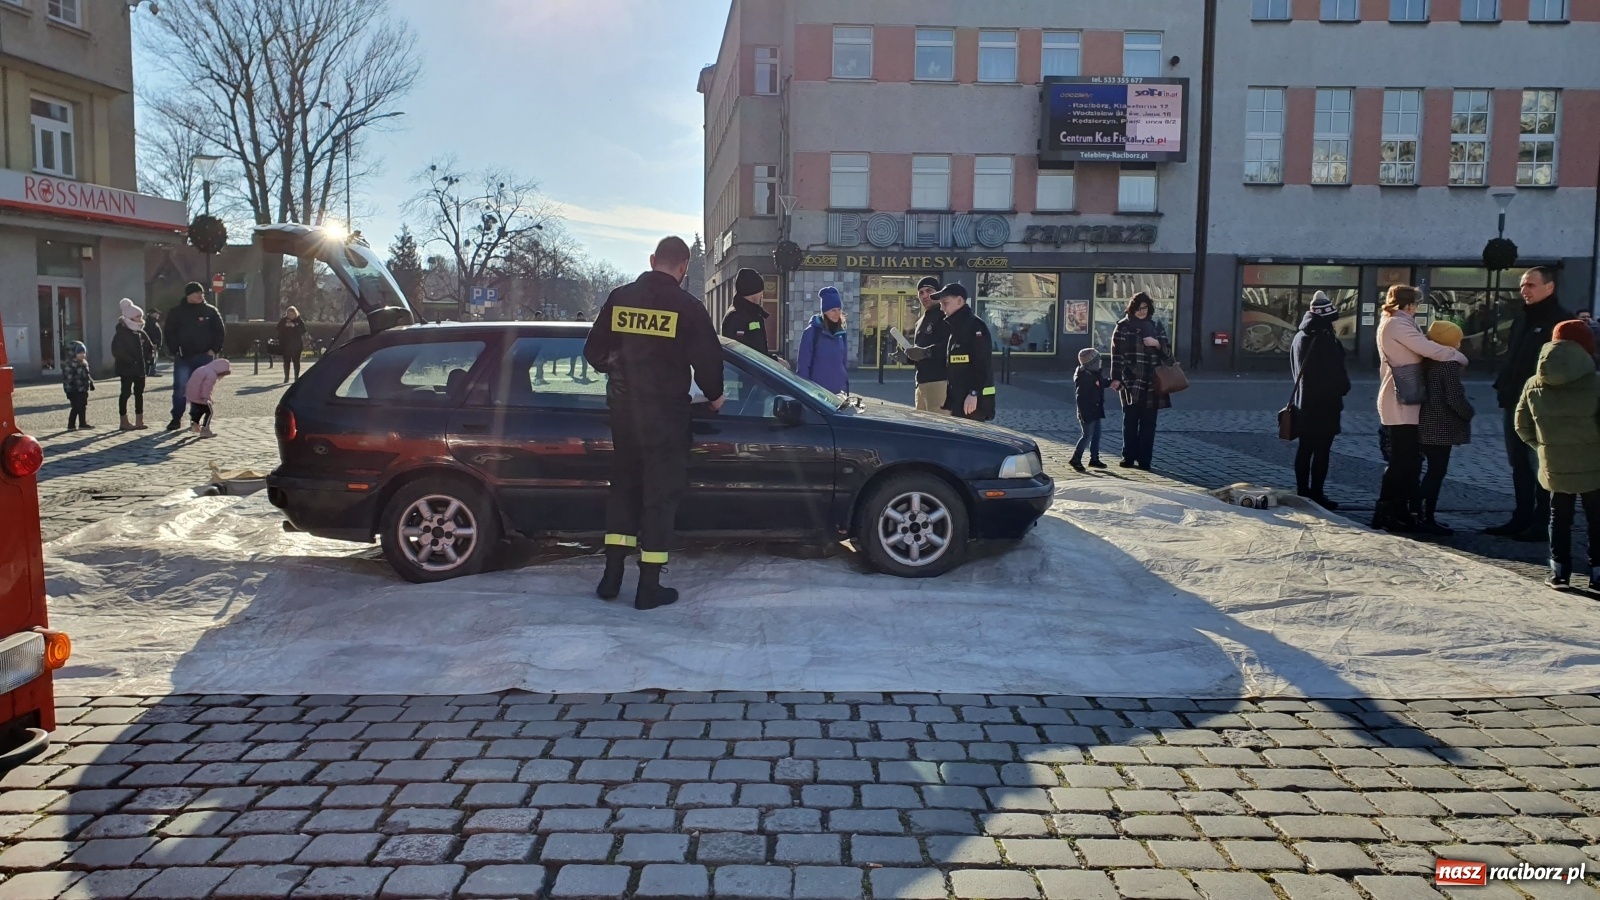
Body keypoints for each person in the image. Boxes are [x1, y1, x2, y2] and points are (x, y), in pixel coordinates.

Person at [583, 236, 724, 611]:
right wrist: (715, 394)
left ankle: (610, 580)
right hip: (666, 418)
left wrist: (619, 368)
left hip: (625, 415)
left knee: (624, 490)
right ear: (684, 268)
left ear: (651, 260)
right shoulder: (687, 307)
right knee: (659, 499)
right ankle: (649, 588)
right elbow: (709, 360)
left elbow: (593, 351)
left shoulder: (619, 298)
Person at [1373, 285, 1467, 531]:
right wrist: (1458, 356)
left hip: (1403, 399)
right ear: (1410, 304)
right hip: (1399, 400)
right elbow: (1429, 349)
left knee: (1407, 461)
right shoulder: (1397, 324)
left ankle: (1400, 510)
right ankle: (1386, 511)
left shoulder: (1396, 322)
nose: (1416, 308)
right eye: (1416, 303)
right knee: (1401, 461)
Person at [1514, 320, 1600, 590]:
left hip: (1553, 465)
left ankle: (1559, 573)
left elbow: (1521, 425)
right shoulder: (1596, 382)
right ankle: (1597, 574)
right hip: (1594, 465)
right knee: (1596, 519)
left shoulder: (1533, 383)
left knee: (1558, 518)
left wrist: (1542, 448)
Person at [1486, 266, 1570, 541]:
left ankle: (1541, 520)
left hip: (1542, 406)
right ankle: (1521, 516)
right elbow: (1513, 359)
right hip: (1514, 402)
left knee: (1540, 464)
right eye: (1523, 286)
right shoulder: (1521, 319)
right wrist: (1504, 385)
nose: (1525, 290)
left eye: (1531, 285)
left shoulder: (1561, 322)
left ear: (1549, 287)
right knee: (1518, 464)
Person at [1289, 291, 1351, 509]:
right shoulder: (1324, 340)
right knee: (1322, 451)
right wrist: (1344, 388)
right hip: (1325, 405)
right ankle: (1316, 494)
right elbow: (1337, 375)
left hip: (1303, 403)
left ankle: (1302, 492)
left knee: (1305, 449)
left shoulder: (1300, 336)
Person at [1416, 321, 1474, 536]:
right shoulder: (1448, 363)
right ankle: (1426, 516)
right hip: (1440, 426)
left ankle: (1420, 513)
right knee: (1436, 471)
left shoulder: (1427, 361)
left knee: (1430, 470)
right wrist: (1469, 412)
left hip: (1424, 422)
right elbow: (1454, 397)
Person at [1109, 292, 1170, 470]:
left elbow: (1168, 354)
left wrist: (1156, 344)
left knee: (1149, 423)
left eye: (1145, 308)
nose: (1142, 311)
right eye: (1138, 308)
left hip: (1153, 381)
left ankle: (1145, 460)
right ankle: (1128, 457)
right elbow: (1117, 355)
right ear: (1132, 308)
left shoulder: (1156, 325)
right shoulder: (1123, 327)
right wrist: (1116, 378)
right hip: (1132, 380)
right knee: (1130, 421)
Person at [164, 282, 226, 431]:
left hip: (204, 357)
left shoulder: (210, 311)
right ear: (188, 295)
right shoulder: (177, 312)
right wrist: (174, 350)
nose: (199, 296)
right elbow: (169, 332)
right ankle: (176, 418)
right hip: (183, 357)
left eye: (201, 293)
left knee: (200, 390)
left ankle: (195, 420)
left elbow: (220, 332)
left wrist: (214, 349)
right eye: (196, 293)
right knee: (180, 387)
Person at [933, 284, 995, 421]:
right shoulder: (956, 327)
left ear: (960, 301)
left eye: (945, 303)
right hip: (959, 400)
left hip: (972, 403)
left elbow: (982, 364)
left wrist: (974, 393)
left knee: (971, 440)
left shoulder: (975, 326)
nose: (942, 308)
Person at [903, 276, 950, 413]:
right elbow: (920, 353)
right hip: (921, 383)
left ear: (938, 292)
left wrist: (925, 352)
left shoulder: (945, 315)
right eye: (921, 292)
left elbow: (950, 346)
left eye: (929, 291)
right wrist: (908, 357)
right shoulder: (921, 320)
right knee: (923, 428)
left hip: (939, 382)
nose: (925, 295)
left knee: (939, 427)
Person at [111, 298, 156, 431]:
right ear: (130, 317)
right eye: (137, 316)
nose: (140, 319)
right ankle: (123, 420)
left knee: (139, 393)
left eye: (140, 316)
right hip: (126, 369)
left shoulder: (141, 333)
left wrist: (149, 358)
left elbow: (149, 347)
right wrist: (130, 360)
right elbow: (117, 351)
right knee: (125, 393)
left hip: (140, 369)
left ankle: (139, 420)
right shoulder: (121, 334)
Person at [797, 286, 849, 395]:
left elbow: (843, 364)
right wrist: (806, 391)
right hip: (817, 395)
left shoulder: (841, 333)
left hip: (838, 394)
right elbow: (803, 366)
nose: (837, 314)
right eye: (833, 310)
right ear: (824, 311)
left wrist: (844, 387)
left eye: (839, 310)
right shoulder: (811, 333)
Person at [1070, 347, 1110, 470]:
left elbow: (1100, 382)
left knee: (1096, 435)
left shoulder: (1093, 374)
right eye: (1098, 361)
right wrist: (1084, 414)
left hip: (1095, 408)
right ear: (1091, 364)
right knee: (1087, 436)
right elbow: (1081, 399)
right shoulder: (1085, 378)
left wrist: (1111, 382)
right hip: (1087, 412)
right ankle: (1076, 459)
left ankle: (1094, 458)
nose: (1101, 363)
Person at [721, 268, 772, 356]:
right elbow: (744, 354)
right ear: (753, 292)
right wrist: (773, 361)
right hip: (746, 370)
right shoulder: (736, 317)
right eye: (761, 291)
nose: (762, 296)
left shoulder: (751, 313)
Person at [184, 358, 231, 438]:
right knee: (209, 412)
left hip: (193, 395)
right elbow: (206, 388)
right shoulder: (211, 375)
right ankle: (205, 429)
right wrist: (206, 397)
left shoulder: (203, 369)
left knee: (200, 410)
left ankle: (194, 424)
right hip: (201, 396)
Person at [61, 340, 93, 430]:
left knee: (83, 405)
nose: (82, 354)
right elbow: (68, 378)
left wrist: (91, 383)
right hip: (74, 390)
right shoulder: (70, 365)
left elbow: (87, 375)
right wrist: (69, 389)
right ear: (73, 353)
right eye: (79, 352)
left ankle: (83, 423)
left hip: (82, 388)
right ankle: (71, 424)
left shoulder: (83, 363)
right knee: (76, 407)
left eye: (83, 352)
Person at [276, 306, 308, 384]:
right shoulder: (283, 320)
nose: (290, 315)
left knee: (296, 361)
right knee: (286, 361)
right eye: (289, 314)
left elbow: (303, 330)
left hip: (296, 345)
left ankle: (296, 377)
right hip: (285, 344)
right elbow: (277, 328)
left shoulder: (299, 320)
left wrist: (294, 326)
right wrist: (285, 326)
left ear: (295, 313)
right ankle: (286, 377)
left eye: (292, 314)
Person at [144, 310, 164, 375]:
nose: (158, 315)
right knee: (152, 357)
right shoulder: (150, 323)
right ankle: (151, 372)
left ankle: (152, 371)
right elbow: (152, 333)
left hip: (154, 343)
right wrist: (154, 342)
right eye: (156, 313)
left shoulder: (154, 322)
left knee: (154, 357)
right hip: (152, 344)